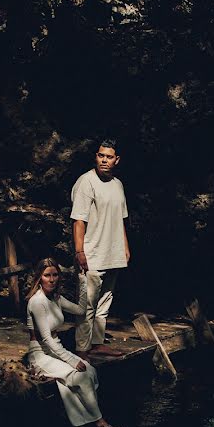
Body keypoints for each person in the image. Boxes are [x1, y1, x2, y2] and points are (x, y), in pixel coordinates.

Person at [25, 258, 120, 427]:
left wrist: (83, 282)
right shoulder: (37, 302)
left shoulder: (56, 298)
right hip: (41, 355)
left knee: (90, 370)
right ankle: (99, 421)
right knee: (81, 376)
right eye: (47, 275)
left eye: (55, 275)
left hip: (56, 350)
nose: (52, 279)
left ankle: (83, 417)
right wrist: (71, 360)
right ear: (40, 277)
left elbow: (81, 311)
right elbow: (46, 339)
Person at [70, 138, 130, 360]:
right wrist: (79, 251)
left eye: (109, 157)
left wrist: (124, 246)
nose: (104, 160)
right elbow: (78, 220)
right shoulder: (86, 182)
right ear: (96, 156)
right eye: (100, 155)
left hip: (112, 252)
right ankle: (82, 348)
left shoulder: (118, 185)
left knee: (104, 302)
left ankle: (97, 343)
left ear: (117, 160)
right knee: (87, 303)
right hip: (92, 253)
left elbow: (120, 219)